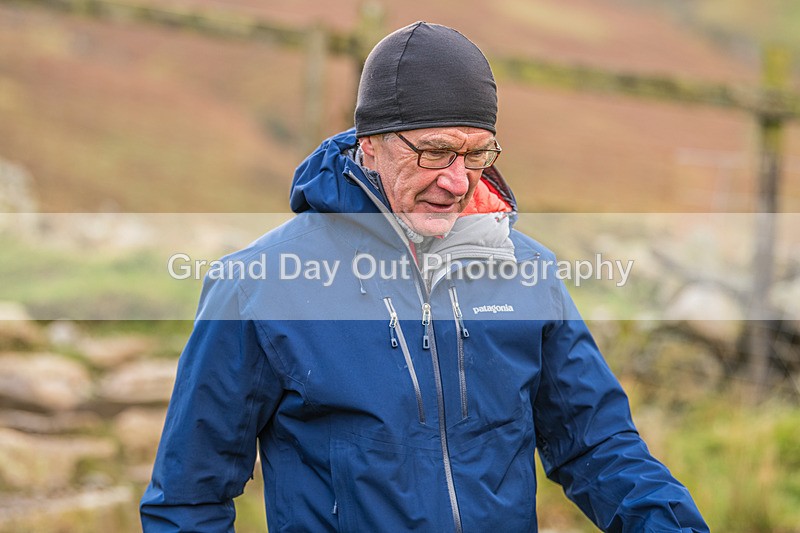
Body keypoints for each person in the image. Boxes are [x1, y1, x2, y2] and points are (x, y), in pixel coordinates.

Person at [141, 21, 709, 532]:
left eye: (478, 155)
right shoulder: (258, 287)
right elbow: (188, 499)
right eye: (435, 153)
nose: (457, 182)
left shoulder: (527, 272)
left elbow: (597, 446)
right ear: (370, 144)